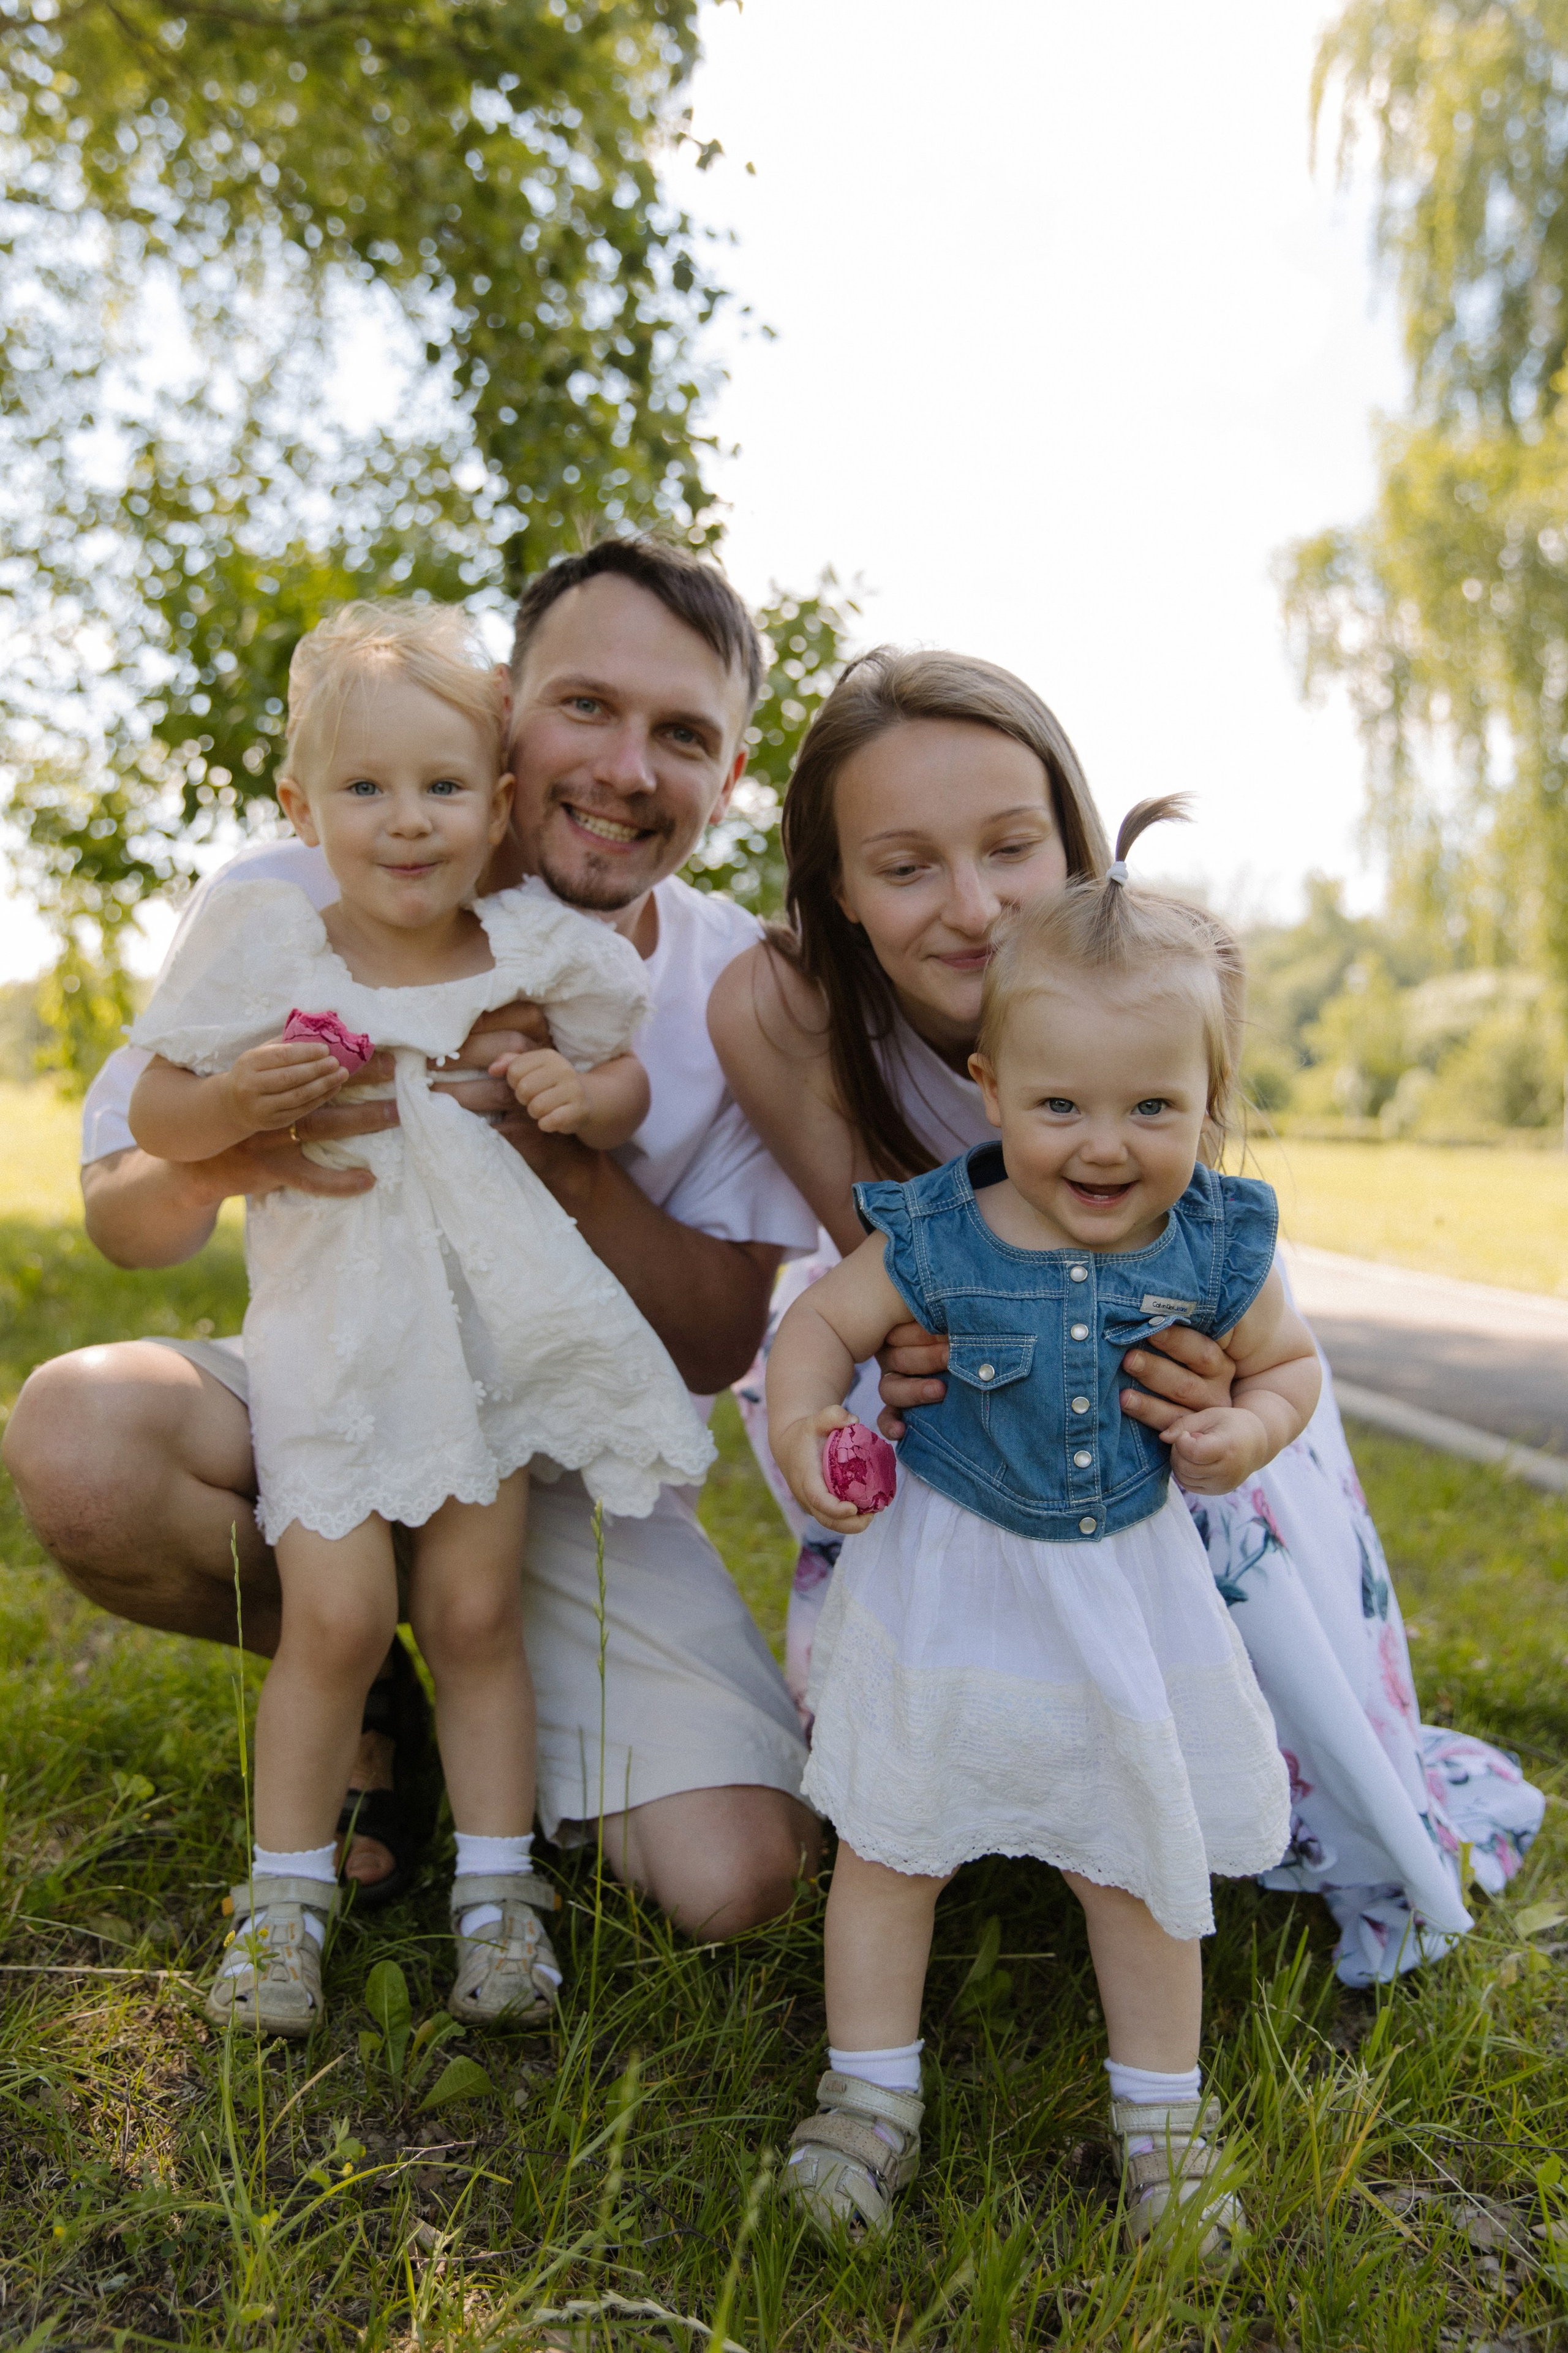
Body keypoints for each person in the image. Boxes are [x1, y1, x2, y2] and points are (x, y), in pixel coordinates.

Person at [4, 537, 824, 1944]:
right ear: (508, 706)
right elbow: (121, 1197)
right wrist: (249, 1138)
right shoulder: (292, 891)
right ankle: (366, 1673)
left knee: (737, 1881)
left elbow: (714, 1338)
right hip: (338, 1368)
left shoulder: (732, 985)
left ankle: (495, 1703)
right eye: (585, 705)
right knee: (81, 1440)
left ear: (731, 774)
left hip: (560, 1435)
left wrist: (552, 1147)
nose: (626, 768)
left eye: (682, 734)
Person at [710, 645, 1543, 1990]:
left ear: (1071, 844)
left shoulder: (1146, 973)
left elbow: (1204, 1257)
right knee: (926, 1584)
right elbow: (880, 1267)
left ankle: (1250, 1772)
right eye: (905, 864)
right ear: (838, 890)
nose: (971, 905)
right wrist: (894, 1360)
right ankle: (960, 1780)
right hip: (962, 1348)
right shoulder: (780, 1008)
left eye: (1009, 848)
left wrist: (1228, 1398)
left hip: (1158, 1350)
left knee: (1199, 1479)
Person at [126, 599, 717, 2036]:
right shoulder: (272, 949)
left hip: (482, 1345)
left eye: (444, 788)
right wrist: (229, 1109)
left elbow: (621, 1058)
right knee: (337, 1616)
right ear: (299, 806)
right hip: (334, 1349)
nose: (406, 822)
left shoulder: (523, 948)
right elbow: (153, 1107)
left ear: (498, 803)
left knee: (469, 1611)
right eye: (365, 789)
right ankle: (283, 1898)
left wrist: (584, 1102)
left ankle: (500, 1898)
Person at [766, 804, 1314, 2253]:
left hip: (1124, 1589)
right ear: (990, 1083)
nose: (1104, 1143)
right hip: (948, 1575)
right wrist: (805, 1424)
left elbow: (1290, 1369)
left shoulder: (1214, 1240)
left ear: (1207, 1099)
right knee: (892, 1844)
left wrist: (1240, 1432)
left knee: (1138, 1855)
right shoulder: (941, 1232)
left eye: (1152, 1108)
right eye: (1059, 1105)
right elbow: (823, 1326)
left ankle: (1161, 2121)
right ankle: (866, 2096)